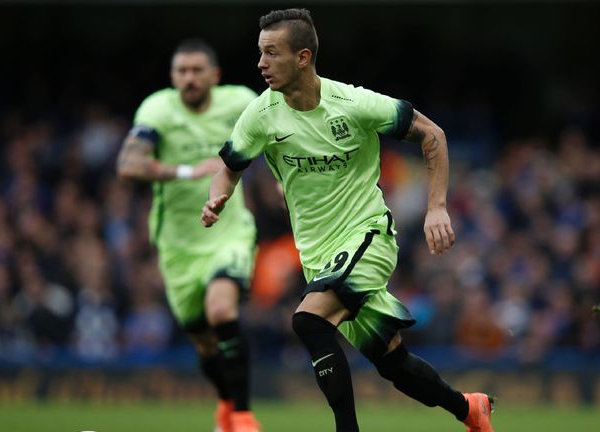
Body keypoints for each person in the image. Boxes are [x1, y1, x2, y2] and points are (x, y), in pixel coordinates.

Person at [202, 9, 495, 432]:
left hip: (367, 235)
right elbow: (228, 168)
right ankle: (469, 409)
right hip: (319, 256)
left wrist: (436, 207)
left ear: (303, 57)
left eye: (271, 53)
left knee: (307, 321)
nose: (260, 64)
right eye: (259, 53)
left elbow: (433, 135)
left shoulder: (355, 104)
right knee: (393, 362)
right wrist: (218, 198)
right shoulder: (260, 115)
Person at [117, 39, 261, 432]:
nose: (190, 78)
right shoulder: (157, 109)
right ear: (172, 77)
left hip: (228, 229)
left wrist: (285, 182)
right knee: (204, 342)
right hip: (177, 243)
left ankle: (245, 417)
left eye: (198, 71)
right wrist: (186, 171)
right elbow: (129, 164)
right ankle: (226, 405)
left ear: (215, 75)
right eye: (182, 71)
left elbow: (280, 136)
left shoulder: (239, 102)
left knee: (222, 310)